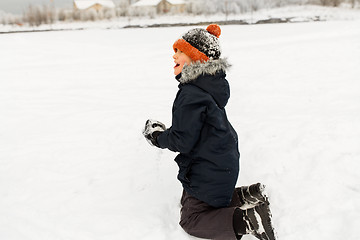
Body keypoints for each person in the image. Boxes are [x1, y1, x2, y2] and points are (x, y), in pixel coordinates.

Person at [143, 24, 276, 240]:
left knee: (191, 218)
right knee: (198, 198)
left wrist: (158, 137)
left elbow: (182, 140)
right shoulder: (209, 87)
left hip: (210, 167)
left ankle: (249, 220)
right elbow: (191, 129)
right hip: (222, 162)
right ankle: (247, 194)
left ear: (196, 58)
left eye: (180, 51)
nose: (173, 56)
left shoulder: (191, 94)